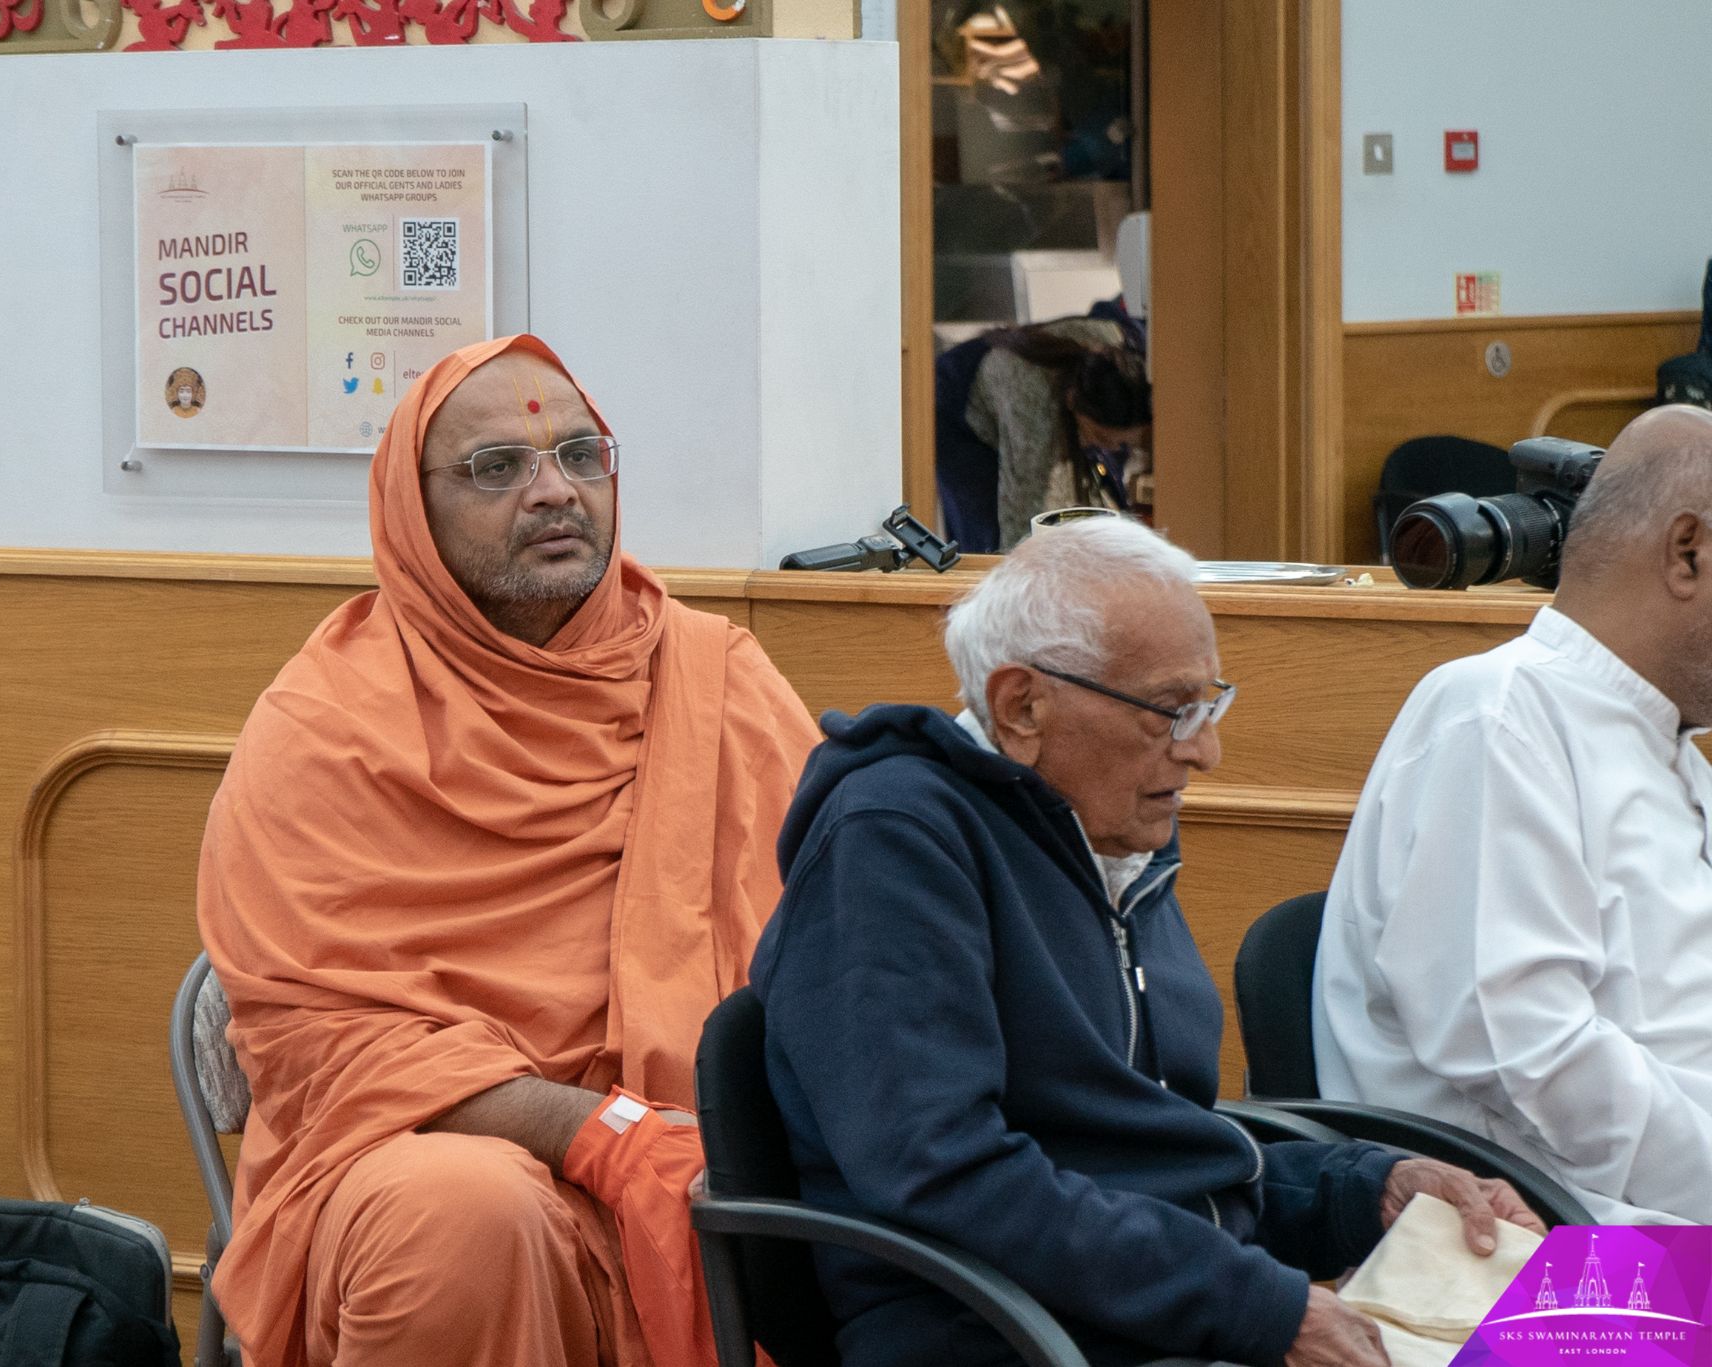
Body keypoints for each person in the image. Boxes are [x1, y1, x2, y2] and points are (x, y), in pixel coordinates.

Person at [751, 516, 1540, 1367]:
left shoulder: (1108, 837)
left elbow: (1152, 1148)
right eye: (1171, 711)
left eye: (1210, 704)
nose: (1206, 749)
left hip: (1150, 1317)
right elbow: (947, 1173)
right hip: (1005, 1337)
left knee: (1627, 1324)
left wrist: (1367, 1190)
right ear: (1022, 705)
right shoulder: (895, 837)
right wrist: (1261, 1308)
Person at [197, 334, 821, 1367]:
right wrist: (595, 1130)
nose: (554, 490)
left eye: (580, 455)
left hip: (704, 1155)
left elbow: (832, 954)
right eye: (497, 466)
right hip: (430, 1144)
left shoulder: (718, 679)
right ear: (413, 509)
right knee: (460, 1213)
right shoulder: (323, 723)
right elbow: (315, 1038)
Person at [1315, 404, 1712, 1226]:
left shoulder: (1667, 744)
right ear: (1689, 551)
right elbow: (1532, 1056)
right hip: (1550, 1245)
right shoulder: (1497, 717)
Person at [934, 318, 1152, 553]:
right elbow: (1024, 525)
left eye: (1124, 443)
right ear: (1073, 403)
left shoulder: (1122, 348)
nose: (1114, 448)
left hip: (1034, 383)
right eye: (1102, 437)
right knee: (988, 535)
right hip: (957, 409)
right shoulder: (1034, 410)